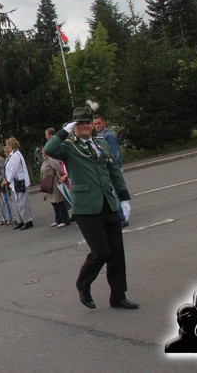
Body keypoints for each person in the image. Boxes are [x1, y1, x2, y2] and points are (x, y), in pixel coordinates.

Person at [45, 106, 138, 310]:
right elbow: (50, 149)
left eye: (88, 122)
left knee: (117, 254)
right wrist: (65, 130)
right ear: (74, 126)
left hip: (108, 204)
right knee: (101, 252)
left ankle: (118, 296)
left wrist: (124, 198)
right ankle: (83, 284)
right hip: (86, 208)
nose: (85, 126)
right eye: (80, 123)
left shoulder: (101, 143)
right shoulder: (68, 147)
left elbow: (114, 171)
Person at [93, 115, 127, 227]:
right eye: (95, 124)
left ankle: (122, 219)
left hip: (113, 169)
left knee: (115, 194)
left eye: (99, 123)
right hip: (108, 170)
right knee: (113, 194)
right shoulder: (99, 136)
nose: (97, 125)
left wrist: (110, 168)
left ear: (104, 123)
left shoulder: (108, 136)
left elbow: (114, 154)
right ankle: (119, 217)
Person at [3, 137, 34, 230]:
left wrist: (8, 179)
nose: (7, 147)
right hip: (15, 182)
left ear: (11, 145)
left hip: (19, 181)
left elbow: (14, 169)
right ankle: (22, 220)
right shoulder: (13, 155)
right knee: (18, 203)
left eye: (8, 145)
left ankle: (27, 221)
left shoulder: (15, 155)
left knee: (22, 202)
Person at [40, 150, 72, 227]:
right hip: (48, 183)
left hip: (54, 182)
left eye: (43, 150)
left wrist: (59, 176)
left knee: (59, 201)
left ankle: (65, 220)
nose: (41, 152)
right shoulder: (45, 160)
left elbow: (59, 169)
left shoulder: (51, 159)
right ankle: (58, 219)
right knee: (54, 203)